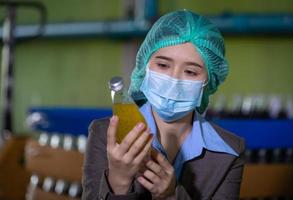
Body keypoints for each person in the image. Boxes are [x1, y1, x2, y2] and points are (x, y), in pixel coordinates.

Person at [82, 10, 245, 200]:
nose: (174, 79)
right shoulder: (105, 133)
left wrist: (170, 196)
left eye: (191, 72)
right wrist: (118, 181)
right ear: (145, 66)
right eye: (163, 65)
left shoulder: (229, 151)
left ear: (209, 82)